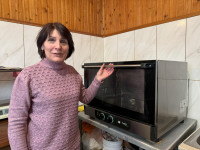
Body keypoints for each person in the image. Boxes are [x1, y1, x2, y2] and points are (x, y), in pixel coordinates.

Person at [8, 22, 114, 150]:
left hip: (73, 146)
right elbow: (16, 123)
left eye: (63, 42)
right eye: (51, 40)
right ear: (42, 45)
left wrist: (97, 80)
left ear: (69, 47)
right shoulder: (28, 76)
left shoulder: (73, 73)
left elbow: (85, 98)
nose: (58, 46)